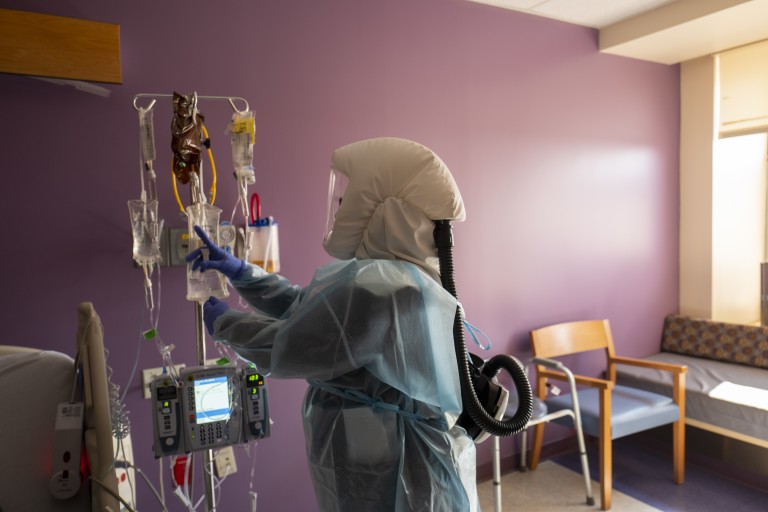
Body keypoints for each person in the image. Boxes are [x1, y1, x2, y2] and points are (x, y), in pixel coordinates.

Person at [187, 137, 477, 511]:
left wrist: (227, 324)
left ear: (388, 213)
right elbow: (311, 311)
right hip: (390, 456)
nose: (339, 211)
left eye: (347, 203)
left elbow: (295, 345)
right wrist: (243, 274)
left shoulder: (386, 288)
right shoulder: (399, 280)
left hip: (397, 469)